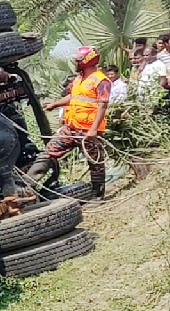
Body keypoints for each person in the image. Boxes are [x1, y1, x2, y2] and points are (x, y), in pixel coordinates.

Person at [26, 46, 110, 200]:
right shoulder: (79, 79)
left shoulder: (101, 80)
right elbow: (73, 97)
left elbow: (103, 105)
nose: (75, 63)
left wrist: (93, 130)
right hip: (71, 128)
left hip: (88, 130)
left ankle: (97, 197)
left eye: (78, 60)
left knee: (95, 163)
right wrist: (55, 104)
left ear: (86, 61)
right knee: (49, 152)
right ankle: (28, 186)